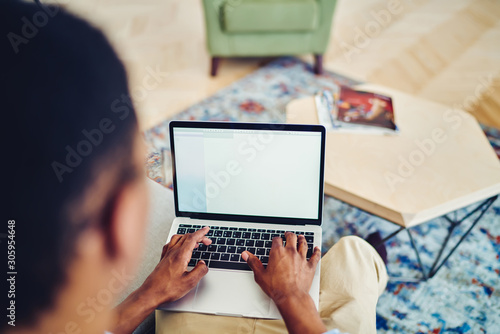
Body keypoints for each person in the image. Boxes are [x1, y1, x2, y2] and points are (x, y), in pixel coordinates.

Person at [2, 1, 388, 333]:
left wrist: (150, 293)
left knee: (197, 299)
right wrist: (289, 295)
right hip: (295, 314)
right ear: (119, 225)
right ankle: (367, 269)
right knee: (354, 259)